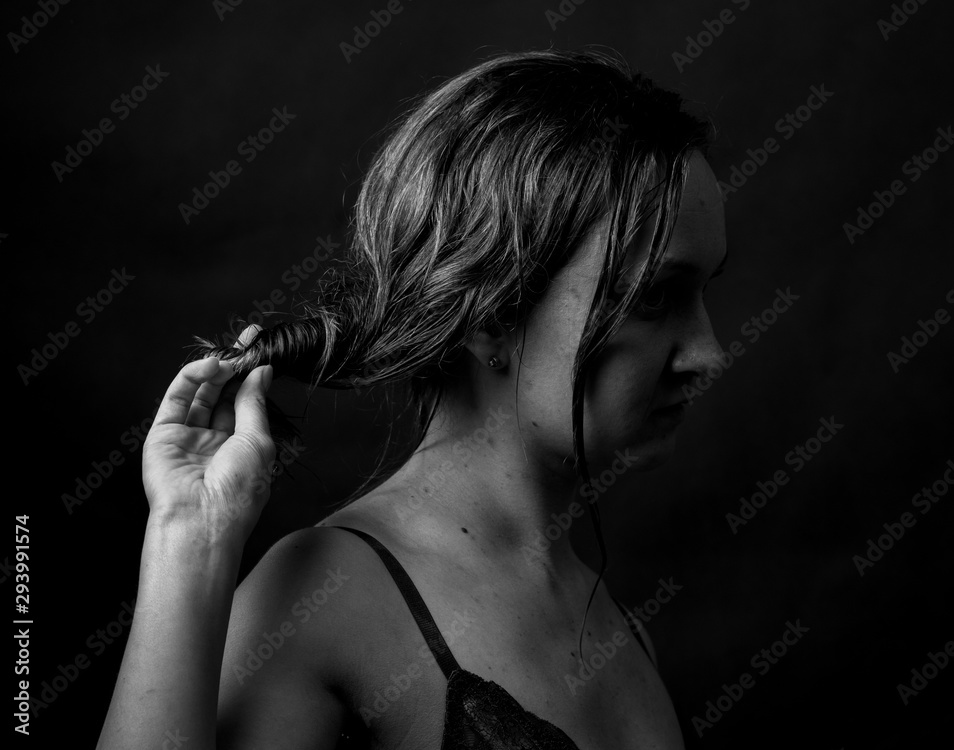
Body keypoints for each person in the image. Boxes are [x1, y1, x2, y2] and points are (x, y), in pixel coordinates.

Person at [96, 48, 727, 749]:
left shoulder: (621, 628)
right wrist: (191, 537)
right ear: (493, 313)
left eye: (704, 294)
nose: (707, 351)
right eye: (658, 297)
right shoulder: (330, 595)